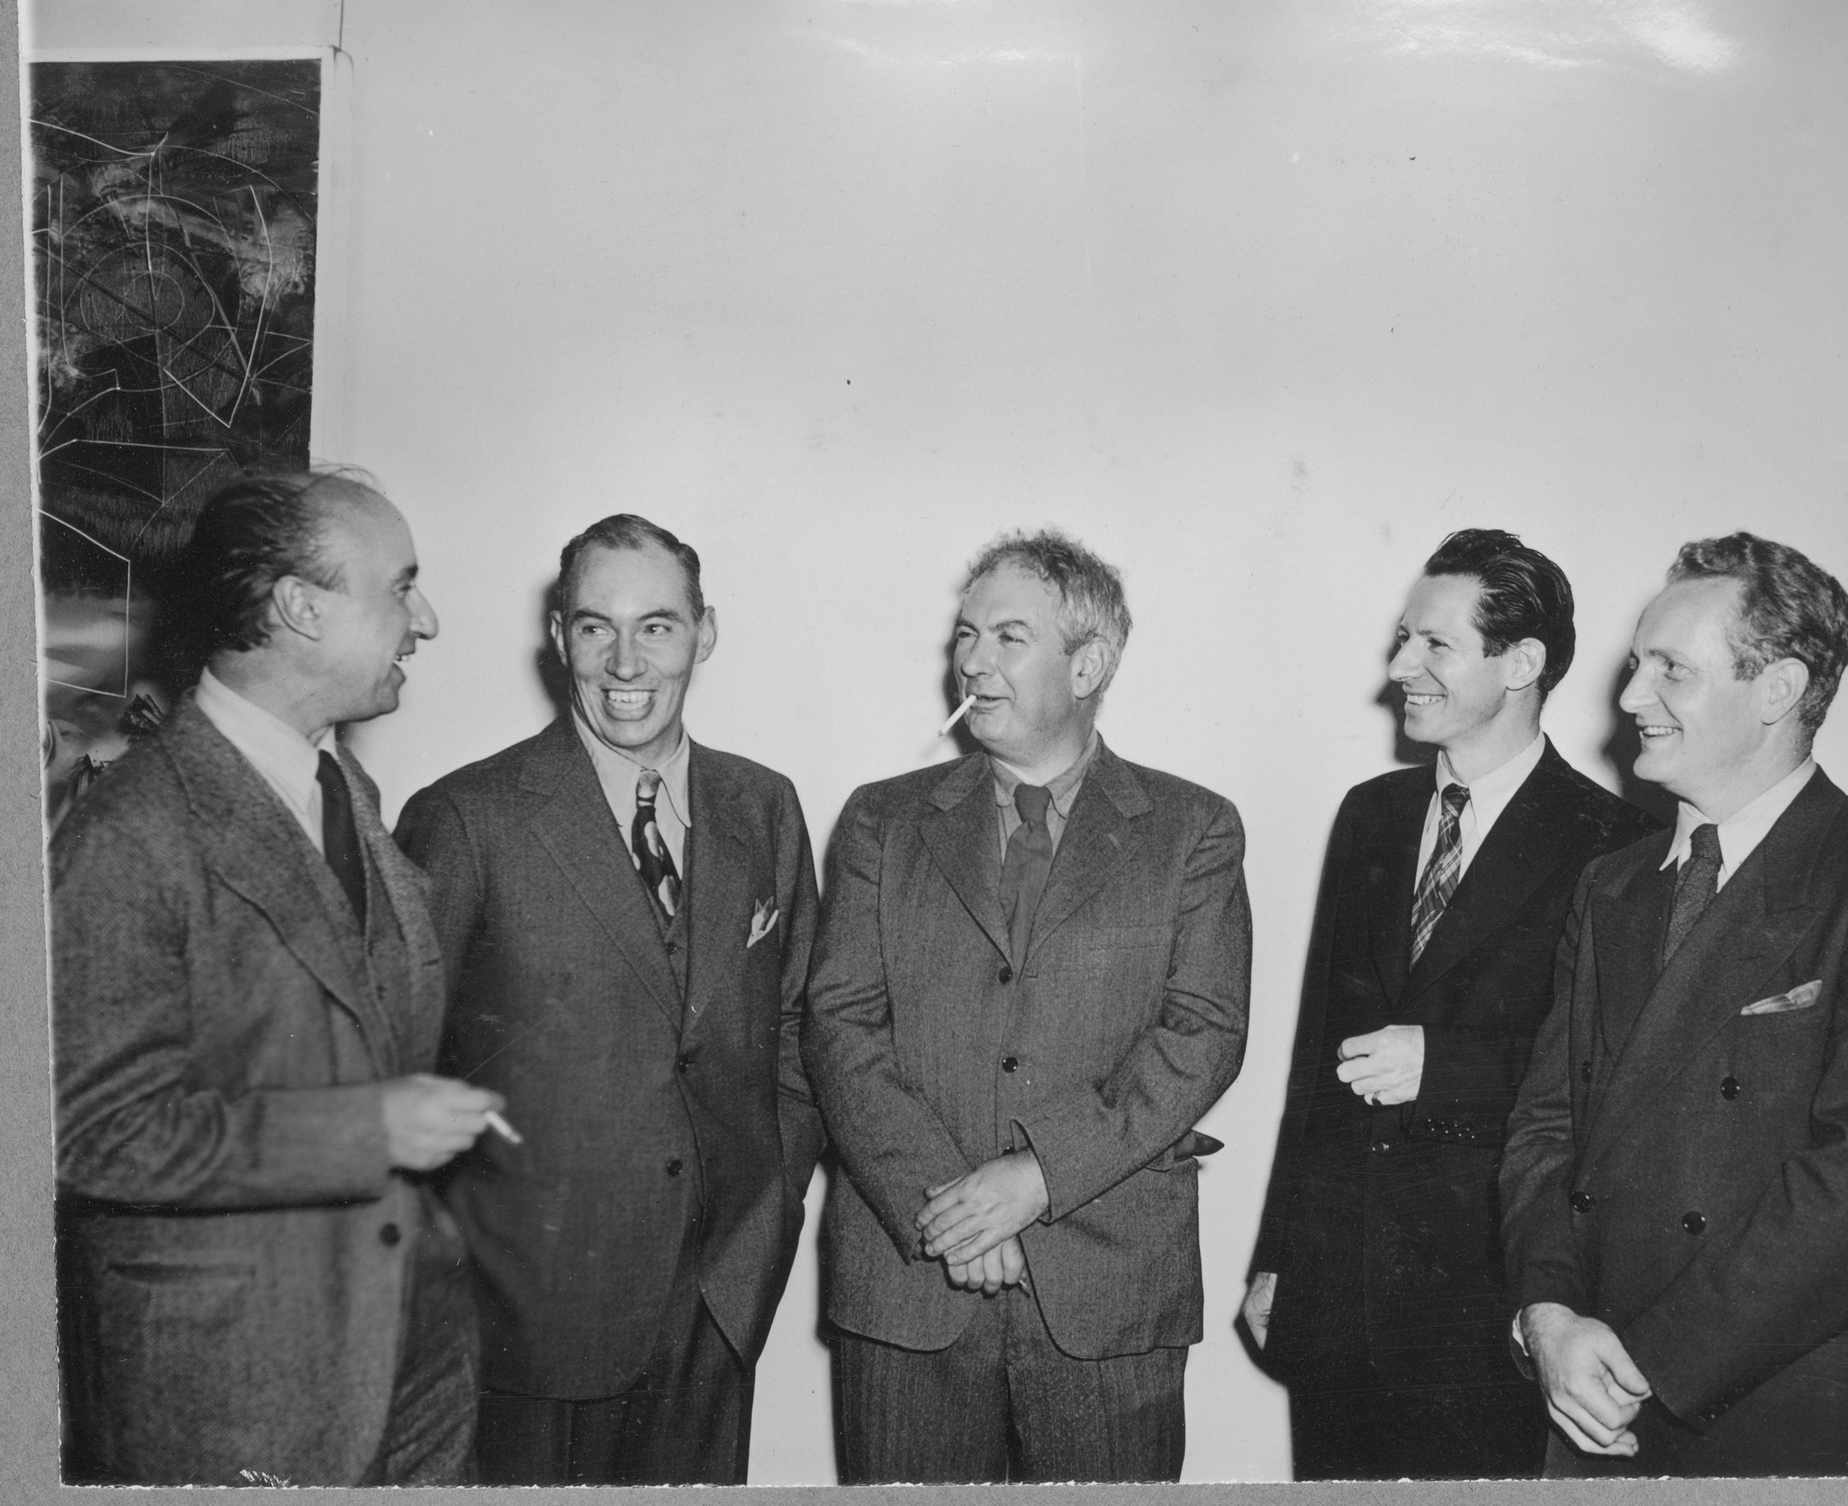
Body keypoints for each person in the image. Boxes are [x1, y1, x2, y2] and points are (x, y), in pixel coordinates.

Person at [51, 471, 500, 1486]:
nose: (423, 618)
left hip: (404, 1356)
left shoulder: (342, 786)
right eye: (401, 587)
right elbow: (87, 1135)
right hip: (233, 1394)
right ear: (300, 608)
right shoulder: (135, 830)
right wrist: (365, 1128)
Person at [1500, 532, 1848, 1477]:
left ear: (1778, 689)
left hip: (1775, 1415)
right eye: (1638, 664)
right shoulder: (1612, 885)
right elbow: (1544, 1128)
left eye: (1669, 668)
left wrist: (1646, 1360)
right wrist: (1546, 1314)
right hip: (1587, 1395)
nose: (1630, 695)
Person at [804, 529, 1251, 1485]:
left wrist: (1037, 1177)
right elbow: (840, 1025)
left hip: (1108, 1298)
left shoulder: (1193, 829)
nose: (971, 660)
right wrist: (953, 1215)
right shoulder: (881, 820)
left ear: (1087, 663)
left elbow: (1204, 1034)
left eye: (1008, 636)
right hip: (907, 1291)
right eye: (966, 634)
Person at [394, 513, 820, 1485]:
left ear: (703, 633)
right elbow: (401, 1063)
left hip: (713, 1305)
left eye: (657, 626)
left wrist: (768, 1209)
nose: (625, 659)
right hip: (529, 1322)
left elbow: (793, 1028)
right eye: (595, 626)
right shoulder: (466, 817)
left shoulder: (764, 808)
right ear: (558, 637)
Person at [1243, 528, 1657, 1479]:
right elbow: (1318, 1054)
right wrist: (1280, 1253)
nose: (1400, 668)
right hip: (1338, 1297)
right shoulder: (1371, 814)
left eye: (1434, 645)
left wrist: (1447, 1068)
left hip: (1490, 1305)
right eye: (1403, 640)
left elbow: (1613, 1078)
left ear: (1522, 663)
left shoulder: (1616, 841)